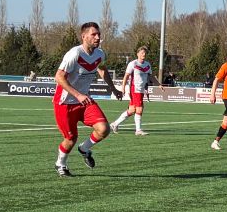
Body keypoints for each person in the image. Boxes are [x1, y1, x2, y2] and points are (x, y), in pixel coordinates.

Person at [53, 22, 119, 176]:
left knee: (104, 129)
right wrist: (78, 95)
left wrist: (113, 88)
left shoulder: (100, 54)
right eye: (93, 34)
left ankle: (84, 149)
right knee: (70, 139)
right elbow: (59, 77)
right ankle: (60, 164)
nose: (97, 37)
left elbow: (102, 69)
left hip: (84, 102)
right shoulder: (74, 54)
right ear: (84, 36)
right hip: (65, 103)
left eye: (99, 34)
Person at [111, 45, 154, 135]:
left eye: (145, 53)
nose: (144, 54)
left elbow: (150, 77)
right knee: (139, 109)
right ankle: (138, 130)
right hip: (135, 89)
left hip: (141, 90)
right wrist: (123, 87)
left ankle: (115, 124)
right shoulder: (133, 64)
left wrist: (158, 85)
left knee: (132, 110)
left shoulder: (147, 65)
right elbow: (126, 76)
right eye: (142, 52)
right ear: (137, 54)